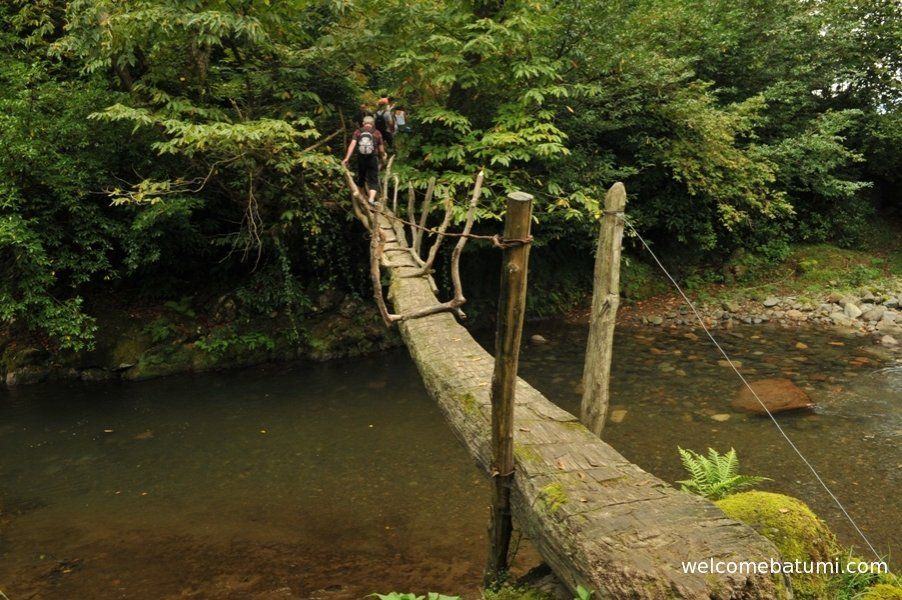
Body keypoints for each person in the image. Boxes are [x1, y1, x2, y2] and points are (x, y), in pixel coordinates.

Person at [341, 115, 387, 206]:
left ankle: (361, 197)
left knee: (361, 177)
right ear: (373, 124)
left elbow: (352, 145)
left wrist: (347, 158)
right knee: (373, 179)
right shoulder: (377, 132)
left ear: (363, 123)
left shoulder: (358, 131)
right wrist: (383, 156)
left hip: (361, 157)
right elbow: (381, 149)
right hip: (372, 157)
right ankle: (371, 199)